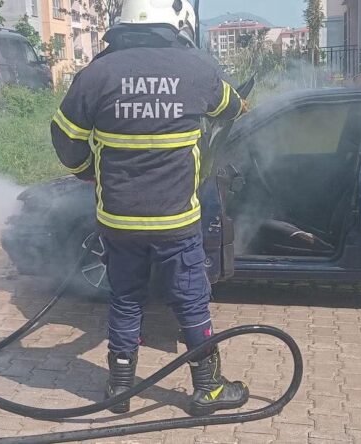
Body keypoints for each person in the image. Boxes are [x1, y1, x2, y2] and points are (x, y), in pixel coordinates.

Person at [51, 0, 250, 417]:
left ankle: (119, 389)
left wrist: (88, 171)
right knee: (190, 301)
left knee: (126, 298)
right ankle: (208, 388)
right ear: (175, 24)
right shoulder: (197, 69)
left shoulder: (96, 74)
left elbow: (65, 138)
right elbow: (232, 107)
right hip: (176, 221)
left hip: (118, 220)